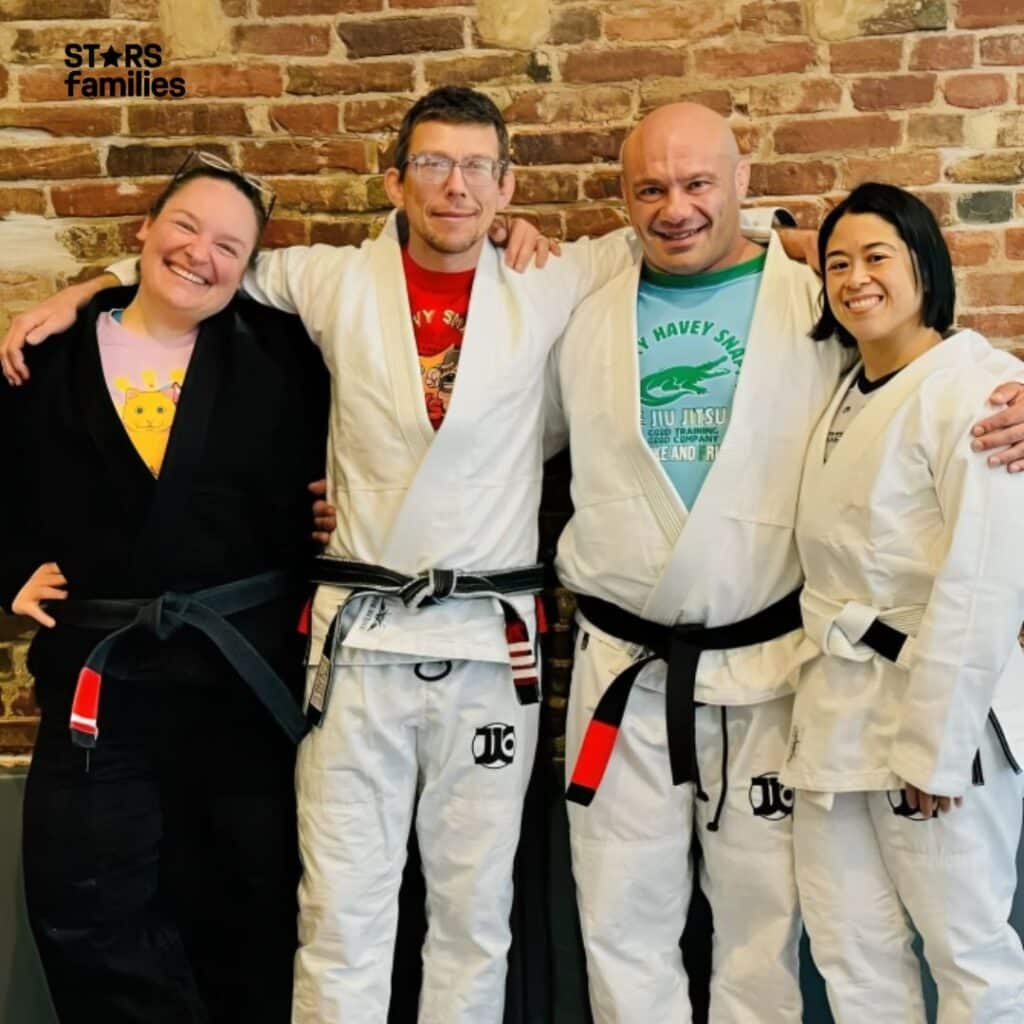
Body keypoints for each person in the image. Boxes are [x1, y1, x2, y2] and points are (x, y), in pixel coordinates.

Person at [547, 103, 1024, 1024]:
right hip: (628, 668)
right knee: (631, 919)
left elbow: (951, 369)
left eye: (697, 183)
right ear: (621, 200)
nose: (675, 206)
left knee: (773, 931)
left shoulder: (816, 301)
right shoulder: (583, 308)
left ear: (742, 184)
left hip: (771, 672)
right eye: (650, 188)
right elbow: (495, 442)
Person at [0, 153, 328, 1024]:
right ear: (142, 233)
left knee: (248, 899)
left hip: (242, 676)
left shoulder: (284, 353)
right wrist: (5, 573)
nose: (200, 254)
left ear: (249, 267)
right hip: (99, 675)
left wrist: (348, 508)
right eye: (184, 226)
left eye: (229, 244)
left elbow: (383, 431)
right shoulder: (49, 354)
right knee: (87, 901)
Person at [780, 182, 1024, 1022]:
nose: (855, 279)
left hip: (935, 709)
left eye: (877, 256)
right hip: (837, 709)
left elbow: (984, 583)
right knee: (853, 954)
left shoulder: (982, 392)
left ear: (926, 262)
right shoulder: (851, 386)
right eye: (838, 264)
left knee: (968, 958)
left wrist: (937, 747)